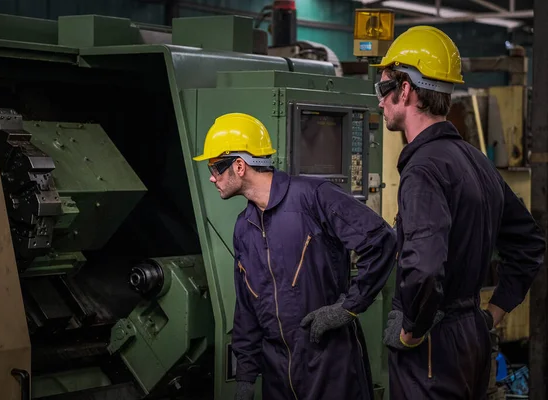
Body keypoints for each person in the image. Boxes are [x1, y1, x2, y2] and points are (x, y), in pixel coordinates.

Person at [372, 25, 546, 399]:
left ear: (406, 90)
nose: (380, 101)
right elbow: (529, 243)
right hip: (473, 336)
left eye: (384, 89)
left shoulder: (422, 170)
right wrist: (492, 314)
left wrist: (410, 332)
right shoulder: (475, 160)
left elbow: (426, 267)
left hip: (433, 347)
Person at [193, 112, 397, 400]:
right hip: (277, 374)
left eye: (214, 168)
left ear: (239, 165)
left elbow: (380, 240)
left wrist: (347, 307)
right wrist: (246, 377)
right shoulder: (244, 227)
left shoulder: (313, 197)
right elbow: (247, 307)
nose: (212, 178)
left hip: (329, 365)